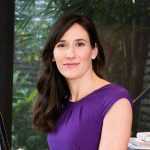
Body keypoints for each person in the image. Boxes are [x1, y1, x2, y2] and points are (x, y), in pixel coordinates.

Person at [32, 13, 133, 150]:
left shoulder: (116, 101)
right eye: (62, 45)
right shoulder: (59, 101)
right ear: (53, 55)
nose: (70, 54)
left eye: (80, 44)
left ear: (94, 51)